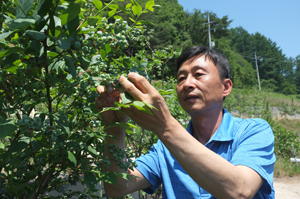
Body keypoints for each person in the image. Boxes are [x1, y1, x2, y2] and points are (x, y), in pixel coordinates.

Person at [95, 46, 276, 199]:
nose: (187, 83)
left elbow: (240, 190)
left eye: (198, 74)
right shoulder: (165, 149)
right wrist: (114, 129)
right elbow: (117, 187)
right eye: (181, 78)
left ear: (226, 87)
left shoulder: (254, 131)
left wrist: (165, 126)